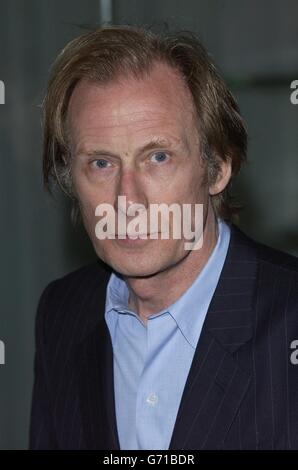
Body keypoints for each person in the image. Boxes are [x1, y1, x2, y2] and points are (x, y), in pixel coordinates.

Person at [29, 25, 298, 450]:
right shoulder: (62, 313)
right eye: (101, 163)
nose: (127, 199)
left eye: (158, 157)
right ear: (70, 179)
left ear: (219, 167)